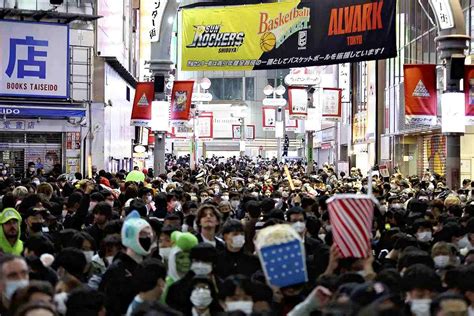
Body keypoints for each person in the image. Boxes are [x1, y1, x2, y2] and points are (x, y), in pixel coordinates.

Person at [99, 211, 153, 315]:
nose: (146, 238)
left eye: (148, 234)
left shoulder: (147, 266)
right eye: (141, 234)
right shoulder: (116, 269)